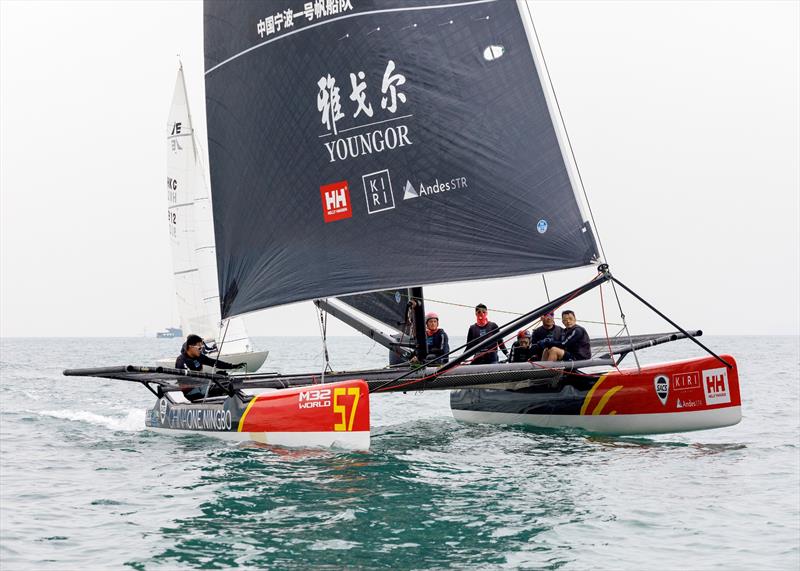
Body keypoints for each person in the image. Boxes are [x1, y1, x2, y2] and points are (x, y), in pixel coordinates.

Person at [175, 334, 245, 401]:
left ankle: (241, 400)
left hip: (202, 385)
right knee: (223, 386)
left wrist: (233, 366)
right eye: (199, 348)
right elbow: (187, 381)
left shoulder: (199, 356)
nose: (201, 350)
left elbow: (214, 362)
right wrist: (213, 378)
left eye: (202, 347)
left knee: (231, 382)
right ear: (191, 347)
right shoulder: (181, 361)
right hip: (192, 392)